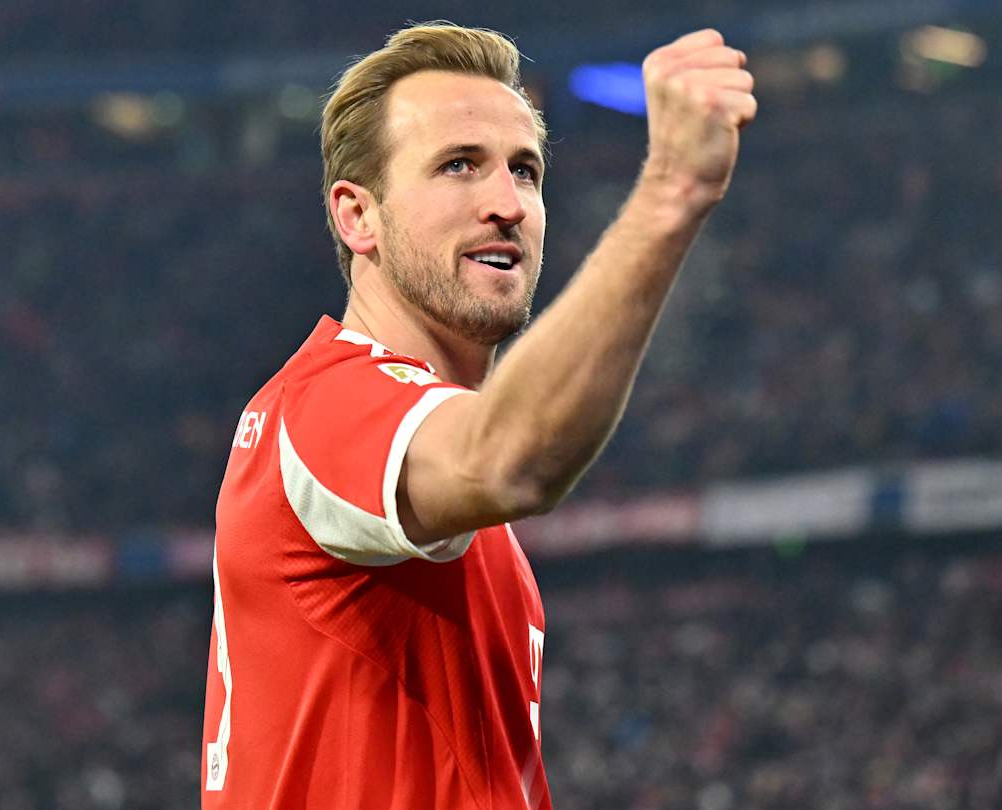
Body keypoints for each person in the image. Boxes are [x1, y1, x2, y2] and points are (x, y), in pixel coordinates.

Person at [200, 21, 755, 810]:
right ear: (359, 217)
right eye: (458, 165)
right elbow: (510, 456)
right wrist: (671, 191)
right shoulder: (326, 403)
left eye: (524, 171)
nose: (507, 205)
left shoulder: (440, 491)